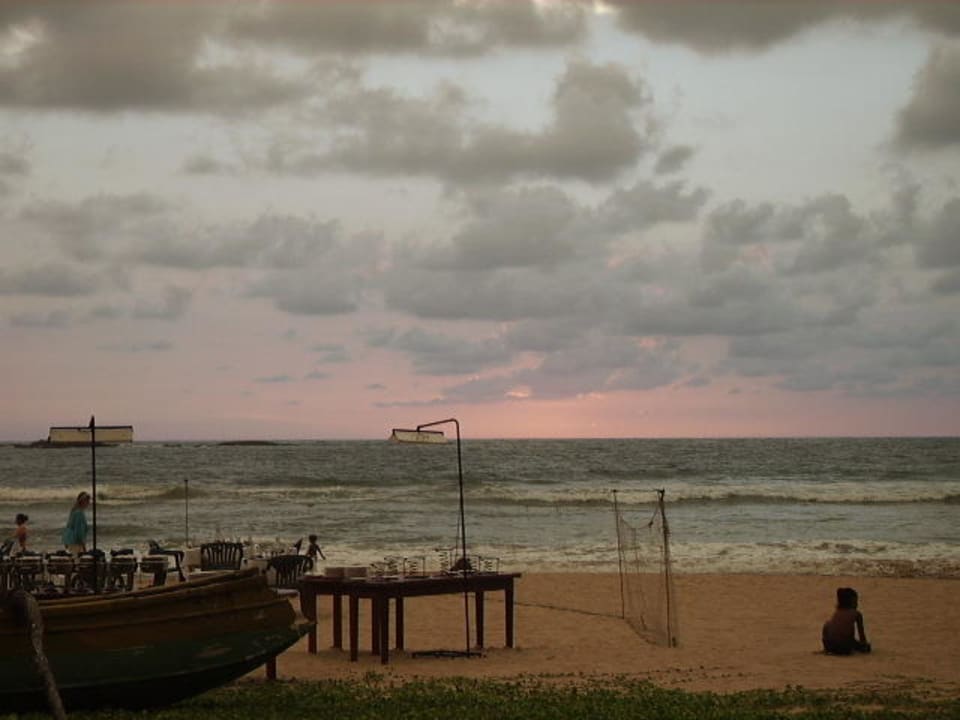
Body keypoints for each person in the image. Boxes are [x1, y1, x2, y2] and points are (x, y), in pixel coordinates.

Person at [822, 586, 871, 655]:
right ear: (851, 602)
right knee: (864, 646)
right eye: (856, 602)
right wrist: (864, 646)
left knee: (828, 624)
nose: (857, 604)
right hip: (845, 647)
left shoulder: (837, 612)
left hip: (831, 646)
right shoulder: (856, 613)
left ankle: (826, 650)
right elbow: (862, 637)